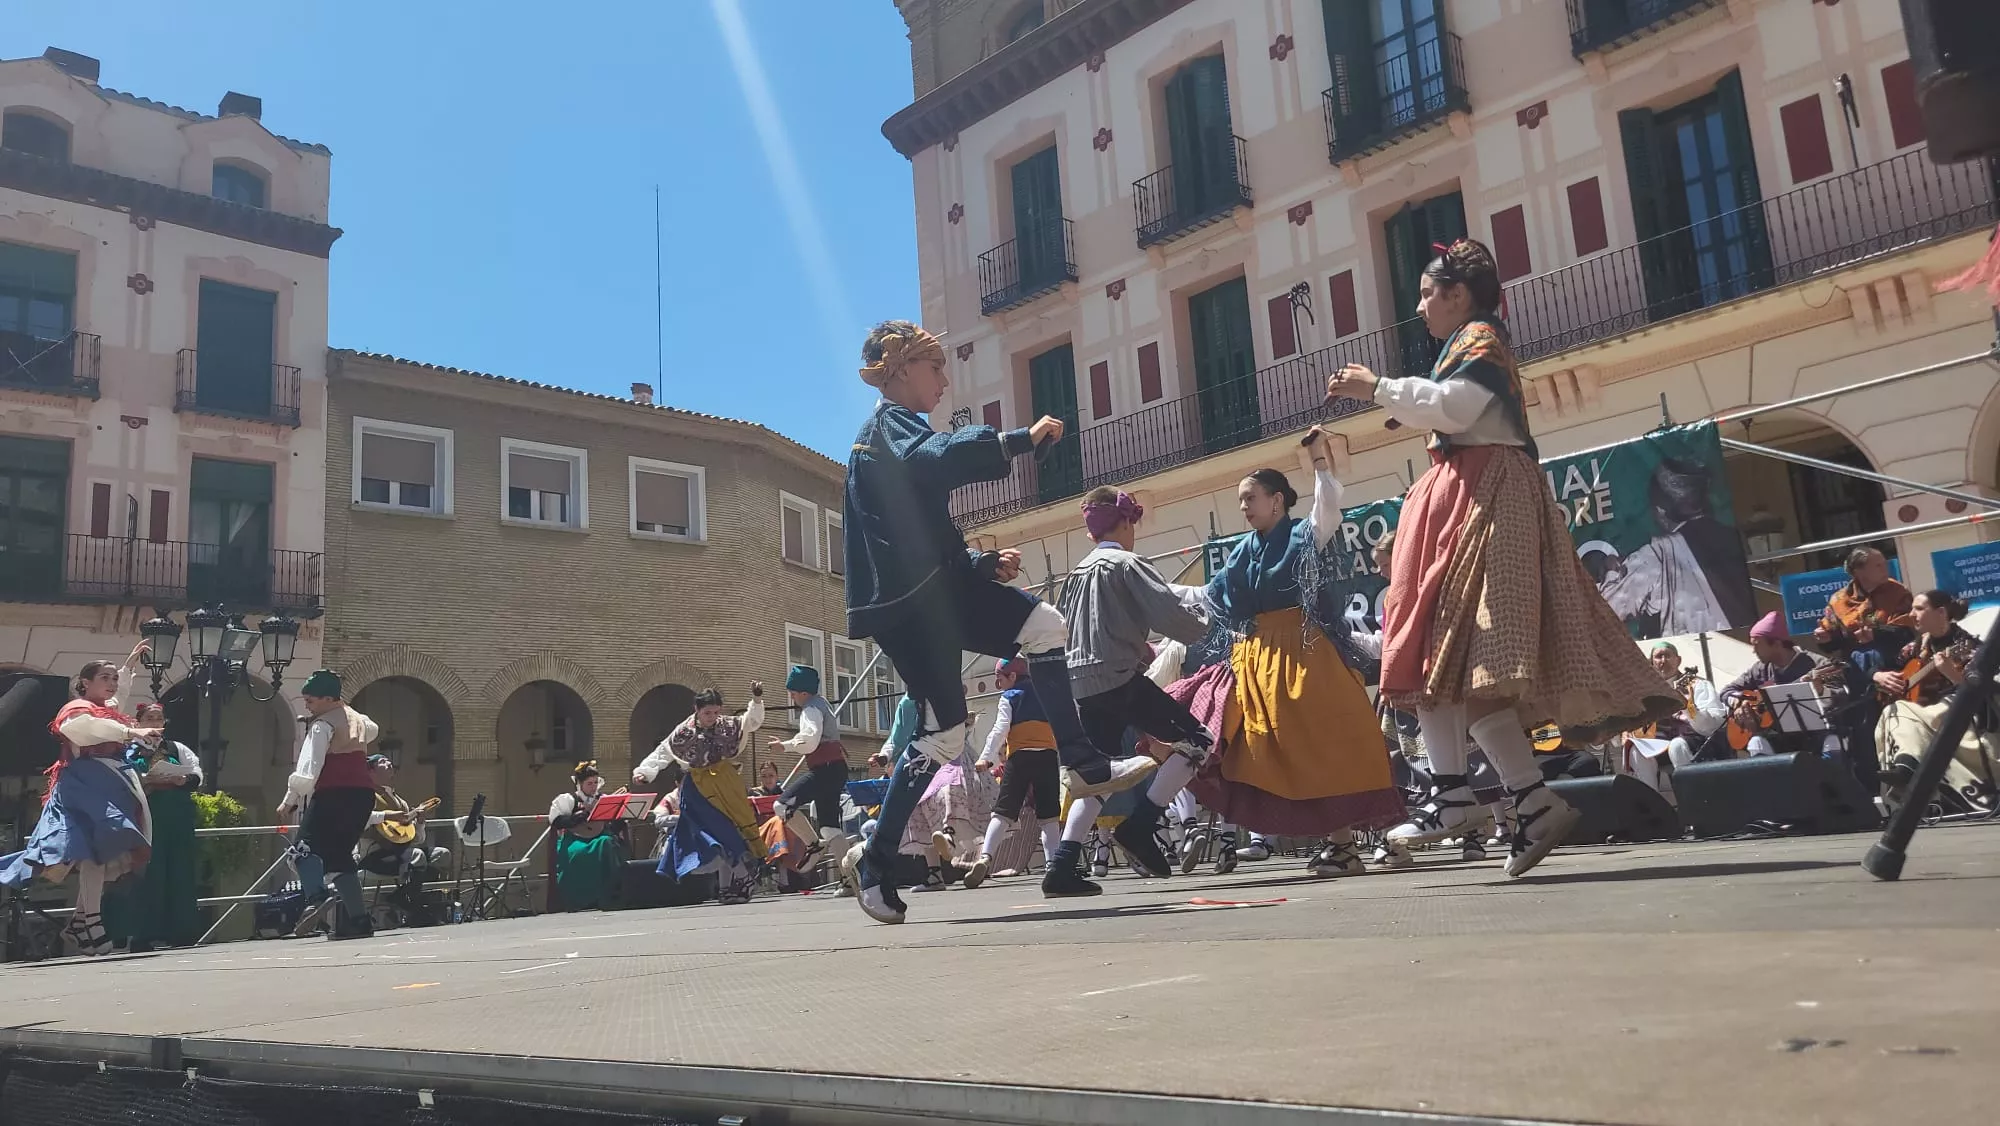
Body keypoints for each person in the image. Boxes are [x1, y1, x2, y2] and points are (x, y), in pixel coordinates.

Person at [1328, 238, 1678, 878]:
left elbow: (1457, 408)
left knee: (1451, 647)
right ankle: (1523, 799)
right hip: (1466, 490)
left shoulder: (1481, 340)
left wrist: (1377, 386)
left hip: (1486, 493)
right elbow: (1448, 407)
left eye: (1429, 293)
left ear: (1459, 295)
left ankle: (1456, 798)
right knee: (1456, 658)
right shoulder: (1464, 347)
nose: (1420, 305)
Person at [841, 320, 1152, 924]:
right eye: (934, 367)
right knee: (943, 736)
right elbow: (938, 458)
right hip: (912, 609)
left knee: (1046, 626)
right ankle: (876, 861)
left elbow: (919, 533)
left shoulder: (897, 438)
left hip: (941, 590)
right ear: (901, 370)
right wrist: (1017, 440)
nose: (944, 379)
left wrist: (982, 564)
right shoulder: (888, 432)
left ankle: (1085, 763)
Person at [1196, 431, 1406, 878]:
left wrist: (1319, 462)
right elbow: (1204, 595)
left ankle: (1369, 841)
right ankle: (1341, 844)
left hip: (1307, 656)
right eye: (1240, 500)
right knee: (1271, 749)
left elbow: (1328, 505)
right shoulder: (1240, 555)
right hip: (1258, 662)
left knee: (1327, 747)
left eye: (1251, 497)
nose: (1244, 507)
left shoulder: (1303, 535)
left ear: (1277, 501)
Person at [1032, 487, 1214, 895]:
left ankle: (1061, 866)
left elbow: (1070, 630)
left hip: (1080, 682)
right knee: (1199, 739)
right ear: (1127, 521)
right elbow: (1171, 615)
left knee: (1097, 774)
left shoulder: (1075, 575)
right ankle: (1141, 824)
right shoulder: (1128, 563)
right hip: (1117, 676)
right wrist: (1205, 617)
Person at [0, 644, 159, 956]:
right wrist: (132, 732)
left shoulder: (105, 708)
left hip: (107, 787)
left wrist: (127, 667)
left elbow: (116, 703)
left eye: (113, 678)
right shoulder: (75, 711)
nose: (112, 683)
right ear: (85, 683)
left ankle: (80, 922)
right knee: (91, 850)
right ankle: (90, 921)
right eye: (105, 677)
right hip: (82, 790)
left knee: (103, 853)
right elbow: (90, 730)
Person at [1594, 458, 1757, 637]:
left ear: (1661, 510)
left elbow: (1606, 611)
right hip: (1743, 639)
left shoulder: (1657, 554)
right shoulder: (1735, 537)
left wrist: (1611, 571)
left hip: (1696, 646)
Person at [637, 684, 766, 906]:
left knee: (730, 829)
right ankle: (740, 875)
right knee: (706, 830)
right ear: (696, 709)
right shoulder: (684, 731)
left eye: (716, 712)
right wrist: (644, 772)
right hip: (697, 787)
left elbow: (751, 722)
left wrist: (756, 700)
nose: (712, 717)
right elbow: (664, 751)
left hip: (725, 783)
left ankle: (732, 883)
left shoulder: (727, 725)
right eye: (707, 713)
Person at [281, 670, 383, 940]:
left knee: (302, 850)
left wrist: (290, 800)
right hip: (363, 795)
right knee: (339, 856)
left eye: (311, 701)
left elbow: (309, 765)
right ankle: (360, 922)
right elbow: (372, 729)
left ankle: (316, 897)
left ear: (328, 699)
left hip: (334, 792)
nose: (307, 706)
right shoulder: (359, 720)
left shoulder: (321, 725)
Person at [1873, 589, 1992, 812]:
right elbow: (1885, 668)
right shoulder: (1915, 647)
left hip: (1958, 715)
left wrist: (1951, 674)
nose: (1912, 614)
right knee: (1895, 709)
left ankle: (1906, 770)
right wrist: (1878, 676)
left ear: (1940, 612)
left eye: (1919, 609)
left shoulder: (1968, 646)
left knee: (1898, 710)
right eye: (1911, 609)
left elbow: (1982, 694)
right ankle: (1906, 770)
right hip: (1922, 716)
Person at [103, 702, 202, 951]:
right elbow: (121, 778)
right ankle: (140, 933)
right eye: (149, 718)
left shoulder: (177, 748)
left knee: (179, 870)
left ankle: (180, 930)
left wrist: (182, 779)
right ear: (138, 723)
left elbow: (197, 772)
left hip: (177, 814)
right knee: (147, 872)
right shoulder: (128, 749)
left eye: (159, 719)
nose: (155, 723)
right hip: (146, 813)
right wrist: (146, 779)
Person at [966, 658, 1061, 889]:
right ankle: (1054, 866)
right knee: (1049, 817)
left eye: (1000, 679)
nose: (998, 685)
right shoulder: (1048, 694)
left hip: (1019, 758)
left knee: (1002, 812)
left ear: (1013, 677)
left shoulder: (1010, 697)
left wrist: (986, 758)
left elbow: (999, 730)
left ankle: (986, 857)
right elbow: (1062, 724)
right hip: (1048, 757)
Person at [1697, 612, 1836, 760]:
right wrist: (1739, 703)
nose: (1753, 650)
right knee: (1756, 742)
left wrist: (1821, 690)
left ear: (1776, 644)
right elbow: (1727, 691)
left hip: (1816, 734)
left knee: (1833, 741)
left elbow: (1841, 696)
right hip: (1778, 737)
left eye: (1756, 645)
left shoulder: (1819, 664)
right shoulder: (1759, 669)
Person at [768, 665, 851, 868]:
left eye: (793, 694)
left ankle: (813, 845)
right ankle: (851, 878)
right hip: (835, 768)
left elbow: (810, 740)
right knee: (830, 828)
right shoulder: (821, 703)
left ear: (804, 693)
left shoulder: (811, 709)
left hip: (825, 769)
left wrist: (785, 746)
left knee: (782, 806)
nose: (792, 698)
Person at [356, 754, 449, 920]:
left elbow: (415, 839)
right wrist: (386, 816)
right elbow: (359, 818)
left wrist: (420, 823)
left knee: (441, 854)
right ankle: (414, 907)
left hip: (401, 852)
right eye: (383, 761)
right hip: (374, 857)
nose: (389, 763)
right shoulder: (365, 795)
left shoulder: (400, 801)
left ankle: (406, 897)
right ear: (370, 771)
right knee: (417, 856)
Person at [548, 761, 625, 911]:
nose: (594, 786)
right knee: (577, 854)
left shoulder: (603, 799)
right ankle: (580, 899)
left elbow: (615, 823)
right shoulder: (568, 799)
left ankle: (609, 895)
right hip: (574, 839)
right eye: (589, 783)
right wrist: (581, 816)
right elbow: (557, 821)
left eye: (596, 782)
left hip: (600, 836)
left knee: (607, 843)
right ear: (579, 784)